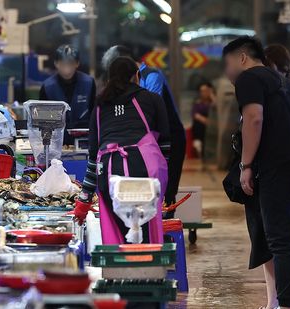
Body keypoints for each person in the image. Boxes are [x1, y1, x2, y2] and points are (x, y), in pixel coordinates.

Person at [223, 36, 290, 309]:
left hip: (279, 171)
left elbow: (254, 119)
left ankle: (288, 305)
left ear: (243, 58)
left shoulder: (249, 79)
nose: (227, 71)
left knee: (282, 241)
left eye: (228, 63)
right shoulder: (288, 85)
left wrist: (246, 165)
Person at [73, 56, 170, 245]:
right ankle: (149, 271)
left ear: (109, 78)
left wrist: (83, 201)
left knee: (120, 236)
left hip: (110, 173)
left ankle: (120, 272)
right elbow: (165, 144)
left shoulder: (100, 104)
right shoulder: (152, 99)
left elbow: (93, 157)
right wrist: (164, 187)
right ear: (137, 76)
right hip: (145, 172)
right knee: (146, 234)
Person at [101, 45, 186, 208]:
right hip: (148, 142)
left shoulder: (152, 75)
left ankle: (165, 227)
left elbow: (149, 114)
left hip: (169, 138)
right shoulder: (127, 85)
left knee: (165, 190)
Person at [39, 45, 96, 145]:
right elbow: (42, 120)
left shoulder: (89, 83)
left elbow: (94, 113)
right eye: (63, 64)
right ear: (56, 63)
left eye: (70, 63)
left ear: (77, 63)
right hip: (56, 141)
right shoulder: (47, 86)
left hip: (84, 140)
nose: (67, 68)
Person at [191, 82, 216, 159]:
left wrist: (212, 95)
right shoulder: (197, 103)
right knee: (198, 124)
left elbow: (219, 109)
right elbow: (196, 115)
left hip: (214, 124)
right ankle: (199, 146)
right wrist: (207, 121)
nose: (203, 93)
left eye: (205, 91)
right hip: (202, 125)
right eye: (201, 91)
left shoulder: (213, 102)